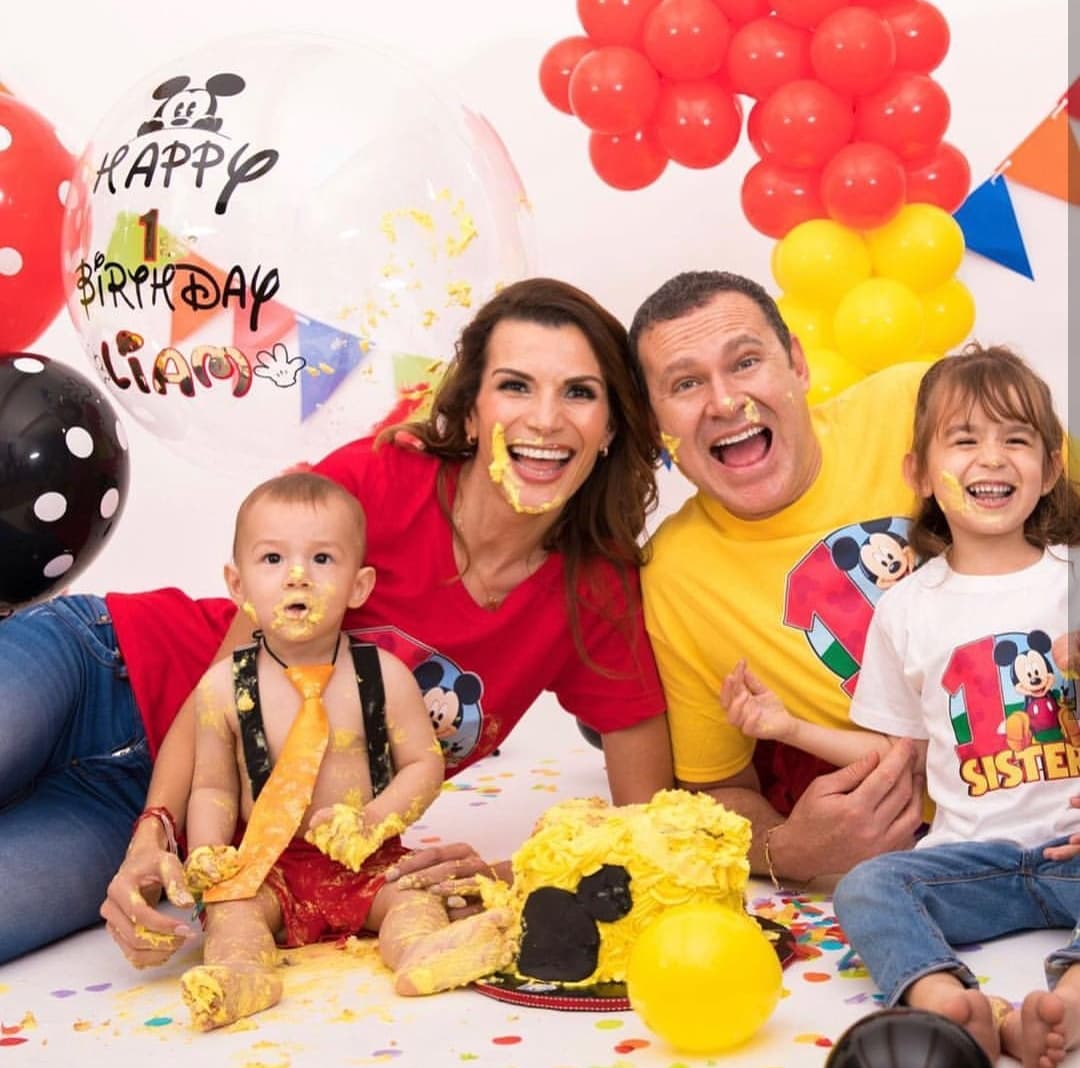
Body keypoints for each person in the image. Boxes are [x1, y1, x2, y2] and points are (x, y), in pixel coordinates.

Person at [0, 277, 671, 967]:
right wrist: (158, 824)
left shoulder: (598, 592)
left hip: (154, 815)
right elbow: (222, 680)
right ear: (471, 413)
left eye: (580, 393)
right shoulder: (379, 480)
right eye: (516, 386)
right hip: (103, 671)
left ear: (611, 427)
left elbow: (647, 819)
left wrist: (504, 873)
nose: (546, 419)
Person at [724, 344, 1080, 1068]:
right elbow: (896, 758)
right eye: (964, 439)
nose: (992, 458)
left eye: (1016, 439)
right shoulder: (907, 608)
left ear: (1049, 469)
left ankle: (1068, 999)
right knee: (868, 886)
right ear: (920, 474)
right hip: (970, 862)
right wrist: (786, 727)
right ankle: (951, 1004)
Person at [180, 471, 513, 1030]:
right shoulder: (221, 689)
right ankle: (242, 974)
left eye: (322, 560)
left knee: (412, 898)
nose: (297, 578)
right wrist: (210, 850)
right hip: (270, 865)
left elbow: (423, 764)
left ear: (359, 587)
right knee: (233, 912)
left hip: (369, 860)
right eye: (271, 560)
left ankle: (422, 952)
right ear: (237, 586)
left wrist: (375, 819)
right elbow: (212, 785)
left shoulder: (382, 676)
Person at [630, 269, 927, 886]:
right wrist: (785, 850)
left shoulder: (917, 402)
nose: (724, 401)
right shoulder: (675, 575)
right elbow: (716, 787)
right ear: (653, 421)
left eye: (745, 362)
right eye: (685, 383)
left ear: (797, 363)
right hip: (924, 856)